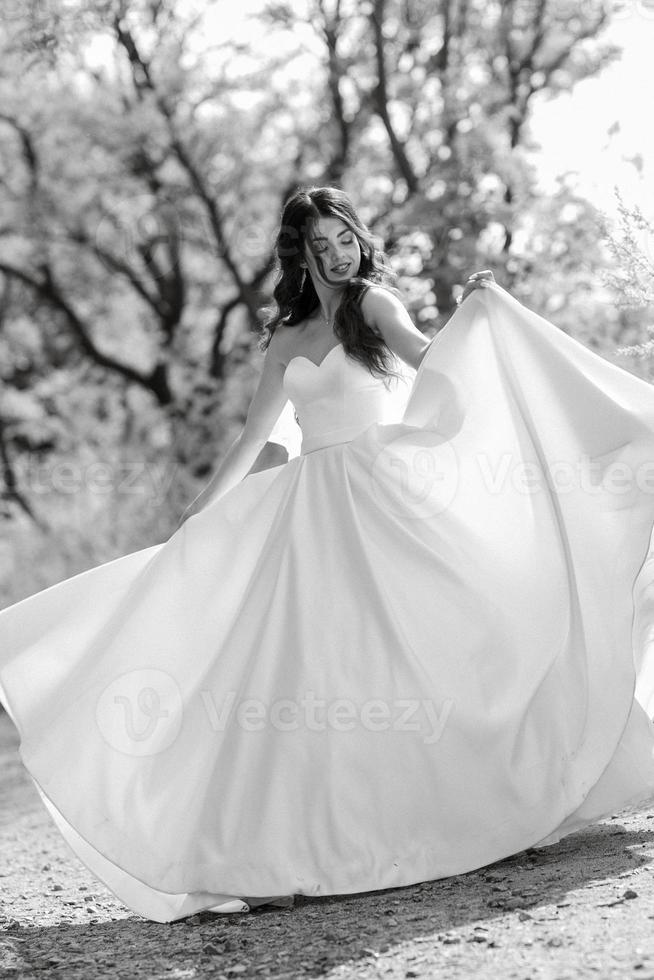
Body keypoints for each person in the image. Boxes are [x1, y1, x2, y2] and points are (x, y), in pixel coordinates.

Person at [1, 184, 654, 925]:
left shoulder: (374, 304)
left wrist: (481, 314)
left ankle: (481, 804)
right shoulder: (284, 338)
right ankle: (301, 851)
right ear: (299, 254)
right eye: (322, 245)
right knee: (309, 673)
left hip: (382, 497)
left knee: (425, 648)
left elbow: (433, 359)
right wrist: (198, 511)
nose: (339, 254)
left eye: (346, 238)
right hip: (308, 512)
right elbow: (255, 436)